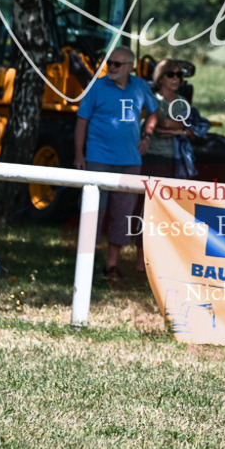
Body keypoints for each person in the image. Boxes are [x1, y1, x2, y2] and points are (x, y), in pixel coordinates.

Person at [74, 46, 158, 277]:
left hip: (130, 161)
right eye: (109, 62)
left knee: (123, 214)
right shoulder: (97, 87)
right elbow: (81, 121)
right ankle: (85, 265)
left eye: (116, 64)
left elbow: (154, 111)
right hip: (98, 159)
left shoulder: (140, 86)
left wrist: (147, 135)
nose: (111, 67)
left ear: (130, 67)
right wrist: (79, 154)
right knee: (94, 213)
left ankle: (112, 265)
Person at [142, 59, 210, 180]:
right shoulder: (153, 100)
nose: (176, 79)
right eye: (170, 75)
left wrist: (180, 130)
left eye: (179, 75)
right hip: (155, 158)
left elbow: (196, 132)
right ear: (160, 78)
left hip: (179, 160)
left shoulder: (183, 102)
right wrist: (185, 129)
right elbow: (165, 124)